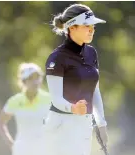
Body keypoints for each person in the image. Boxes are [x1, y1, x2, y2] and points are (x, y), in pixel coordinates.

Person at [44, 3, 108, 155]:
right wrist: (73, 108)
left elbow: (95, 91)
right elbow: (56, 99)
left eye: (93, 26)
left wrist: (101, 124)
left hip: (84, 125)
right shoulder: (57, 58)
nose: (92, 30)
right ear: (72, 27)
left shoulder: (91, 53)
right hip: (60, 125)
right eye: (87, 25)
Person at [0, 63, 51, 155]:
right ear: (24, 81)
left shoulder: (49, 99)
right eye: (31, 78)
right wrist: (10, 143)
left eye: (37, 77)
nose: (35, 81)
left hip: (44, 149)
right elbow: (1, 123)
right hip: (22, 150)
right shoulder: (15, 101)